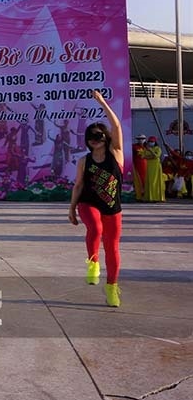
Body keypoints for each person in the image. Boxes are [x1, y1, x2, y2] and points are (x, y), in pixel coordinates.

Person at [68, 90, 125, 307]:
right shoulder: (84, 161)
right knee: (96, 229)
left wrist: (102, 102)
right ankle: (93, 262)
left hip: (112, 207)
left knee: (112, 247)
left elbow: (117, 126)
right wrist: (71, 209)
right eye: (90, 138)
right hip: (88, 203)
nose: (94, 141)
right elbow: (78, 185)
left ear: (106, 138)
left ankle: (112, 288)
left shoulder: (116, 153)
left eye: (99, 136)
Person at [139, 137, 165, 202]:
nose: (151, 143)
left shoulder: (158, 148)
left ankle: (156, 197)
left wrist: (150, 151)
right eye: (150, 141)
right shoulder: (146, 149)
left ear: (155, 142)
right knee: (149, 181)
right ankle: (149, 197)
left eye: (152, 141)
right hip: (149, 166)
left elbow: (157, 156)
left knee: (155, 181)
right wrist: (150, 156)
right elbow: (143, 156)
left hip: (156, 166)